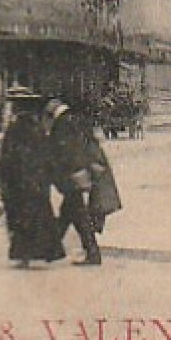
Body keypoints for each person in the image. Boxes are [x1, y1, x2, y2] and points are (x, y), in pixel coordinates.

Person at [0, 88, 65, 268]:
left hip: (20, 181)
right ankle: (44, 252)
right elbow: (46, 154)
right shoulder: (37, 127)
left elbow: (8, 156)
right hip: (37, 180)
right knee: (38, 216)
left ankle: (25, 255)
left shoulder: (15, 128)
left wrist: (4, 175)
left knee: (21, 218)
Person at [42, 99, 101, 265]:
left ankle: (92, 253)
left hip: (71, 174)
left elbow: (63, 151)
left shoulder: (62, 125)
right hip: (80, 172)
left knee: (77, 216)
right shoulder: (75, 119)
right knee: (69, 214)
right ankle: (52, 250)